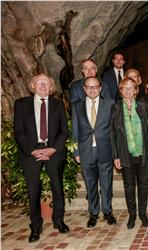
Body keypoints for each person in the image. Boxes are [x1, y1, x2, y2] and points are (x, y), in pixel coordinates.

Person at [14, 73, 69, 242]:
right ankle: (36, 226)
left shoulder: (58, 105)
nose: (43, 87)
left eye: (46, 84)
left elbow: (64, 130)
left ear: (51, 87)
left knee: (57, 187)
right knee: (33, 190)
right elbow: (19, 131)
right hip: (31, 153)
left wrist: (53, 149)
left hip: (53, 151)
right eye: (40, 83)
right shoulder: (21, 104)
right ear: (33, 86)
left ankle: (59, 220)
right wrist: (32, 150)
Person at [71, 77, 116, 228]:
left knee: (106, 183)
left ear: (100, 88)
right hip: (86, 151)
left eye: (95, 87)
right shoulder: (77, 106)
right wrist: (76, 151)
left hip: (105, 150)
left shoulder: (109, 104)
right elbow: (75, 131)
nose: (92, 90)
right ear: (84, 89)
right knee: (90, 185)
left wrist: (115, 152)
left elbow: (114, 130)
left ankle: (108, 211)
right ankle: (93, 213)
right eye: (89, 87)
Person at [111, 77, 148, 229]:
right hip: (125, 154)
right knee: (129, 186)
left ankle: (143, 214)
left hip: (143, 152)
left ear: (136, 90)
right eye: (126, 88)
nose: (129, 90)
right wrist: (115, 155)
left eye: (132, 87)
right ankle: (132, 215)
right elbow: (113, 134)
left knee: (143, 185)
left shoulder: (143, 106)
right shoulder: (116, 108)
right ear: (121, 90)